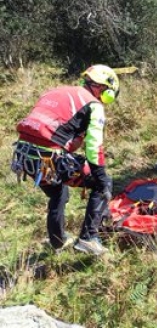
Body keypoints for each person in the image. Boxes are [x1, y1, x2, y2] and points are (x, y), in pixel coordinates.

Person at [11, 64, 120, 255]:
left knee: (58, 191)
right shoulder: (94, 106)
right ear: (106, 89)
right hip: (48, 158)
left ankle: (57, 241)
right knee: (102, 183)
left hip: (23, 153)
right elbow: (94, 148)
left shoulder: (56, 90)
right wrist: (101, 177)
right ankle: (88, 238)